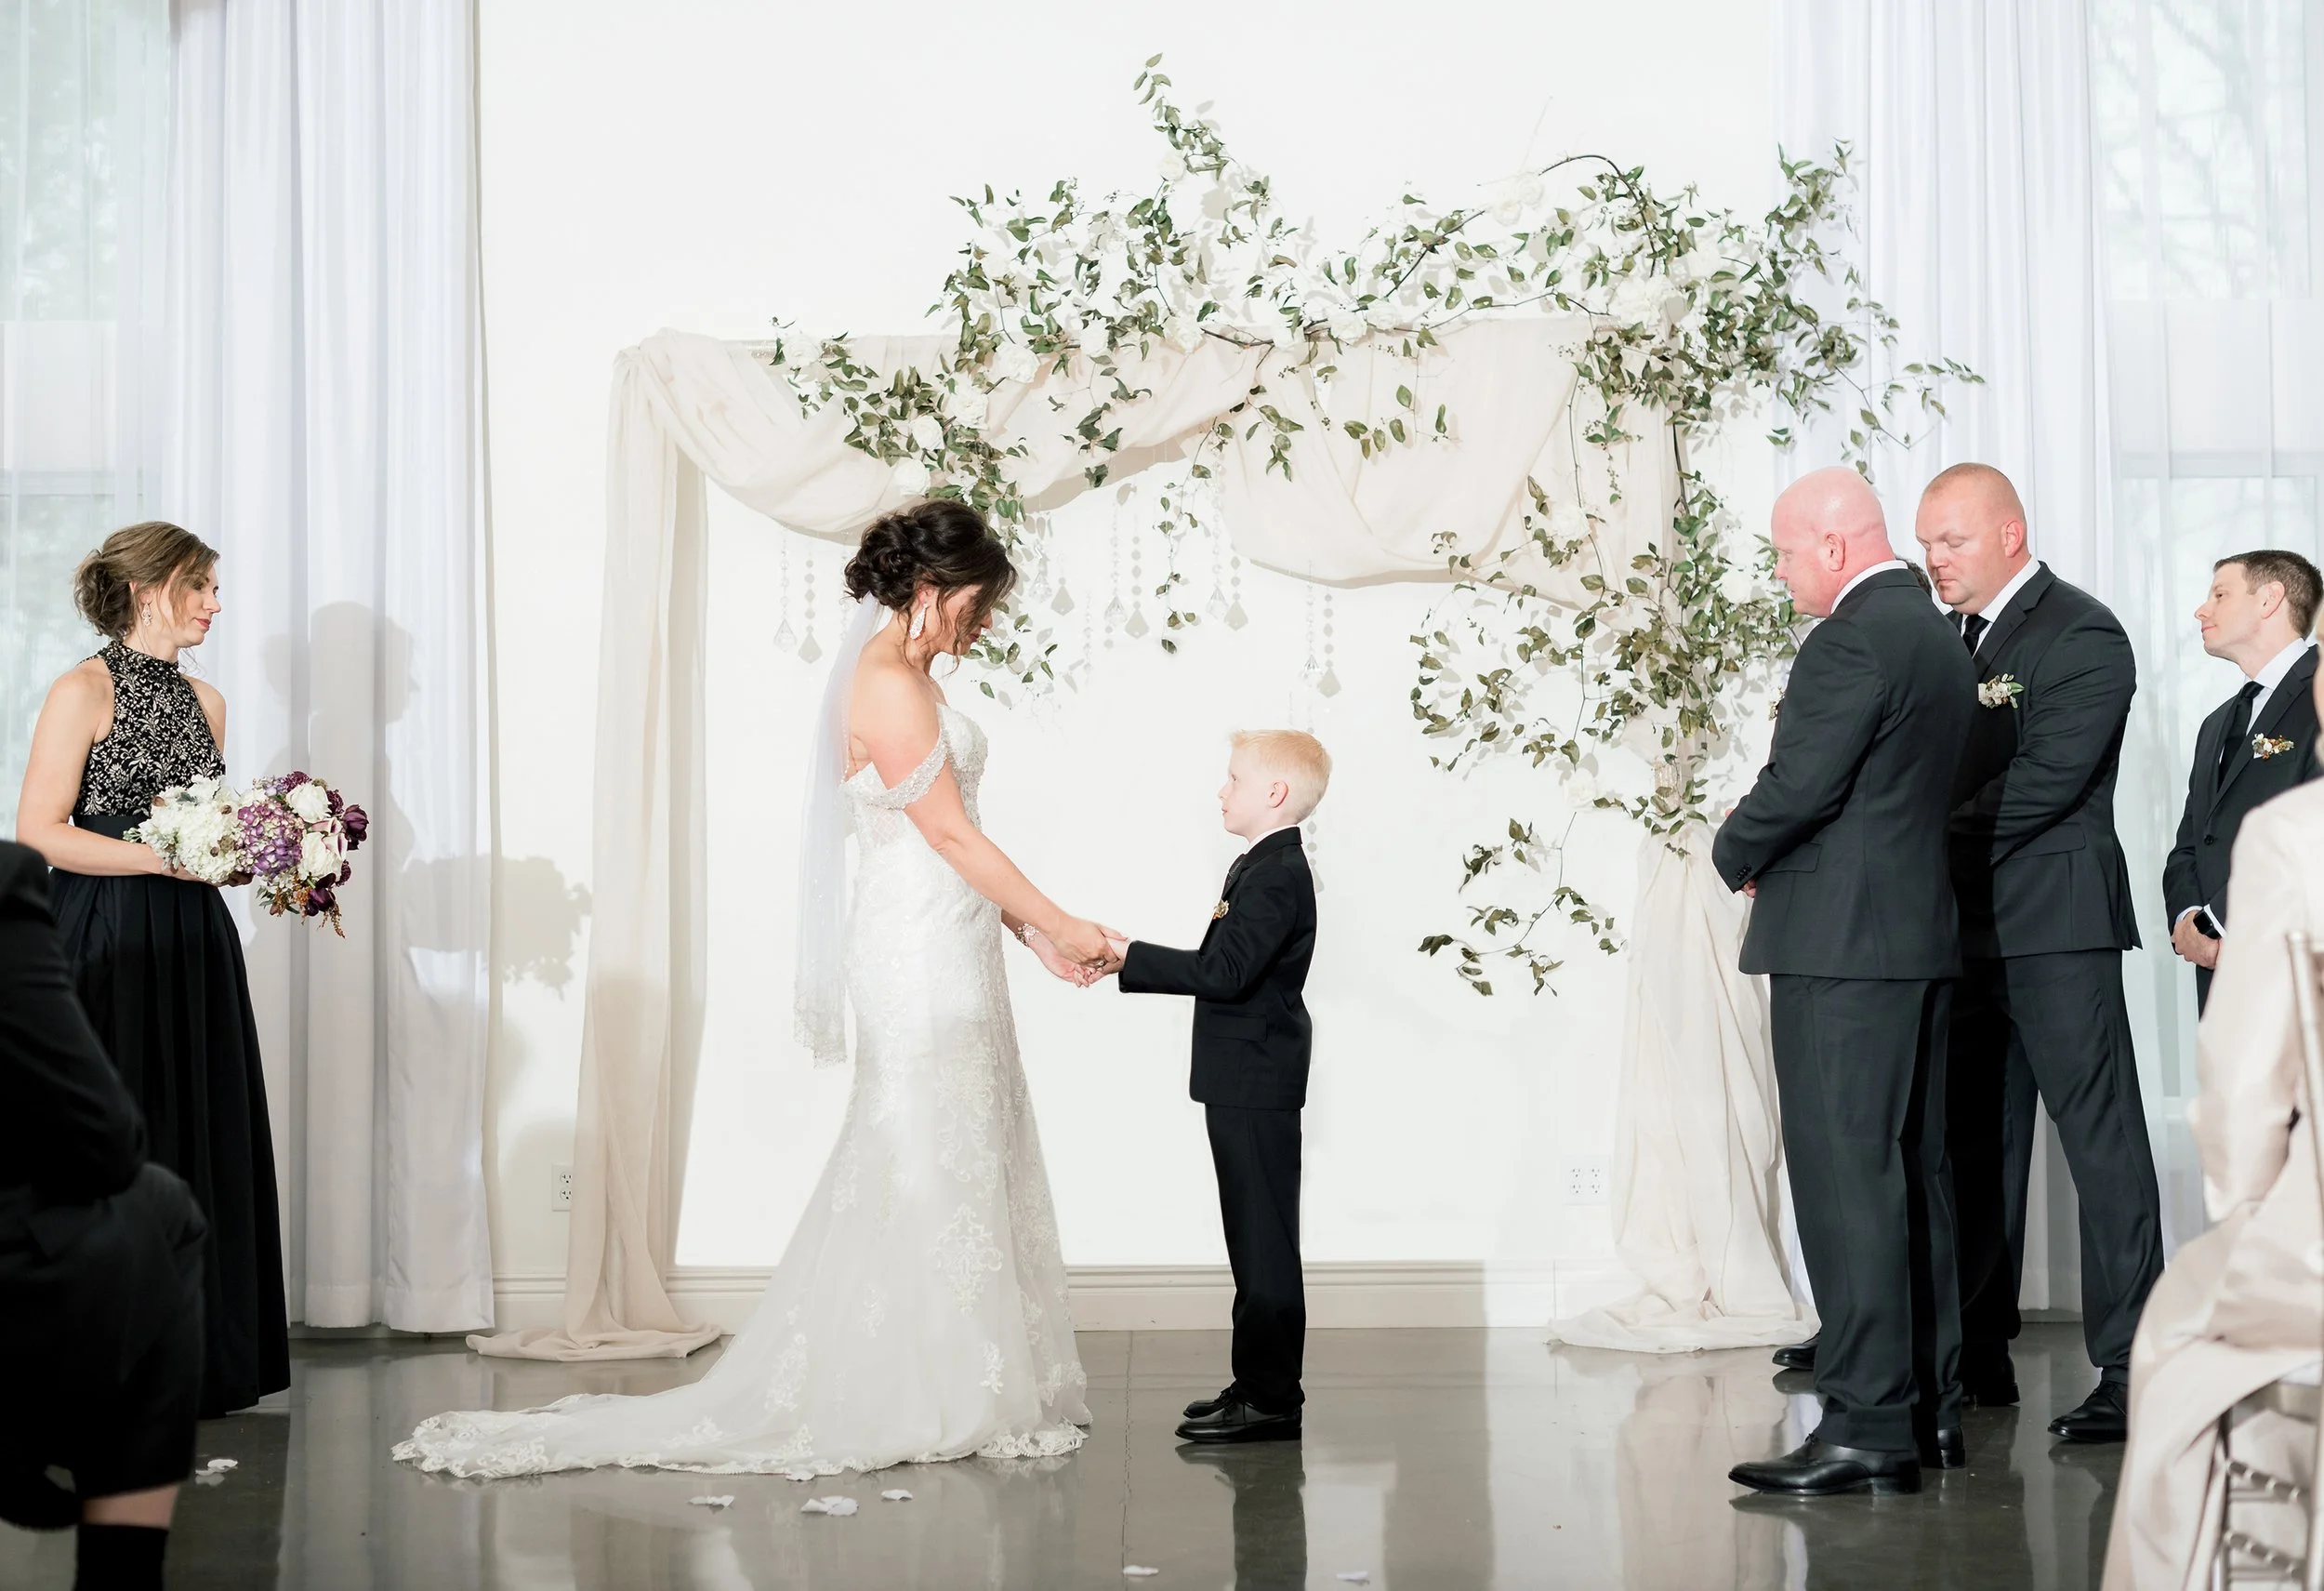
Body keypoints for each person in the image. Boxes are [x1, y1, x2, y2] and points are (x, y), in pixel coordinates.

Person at [397, 500, 1112, 1478]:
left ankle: (959, 1371)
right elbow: (946, 835)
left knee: (964, 1138)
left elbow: (953, 834)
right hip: (913, 945)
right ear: (934, 590)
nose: (983, 625)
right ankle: (919, 1382)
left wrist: (1027, 932)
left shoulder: (909, 678)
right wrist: (1061, 919)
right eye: (978, 605)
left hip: (951, 932)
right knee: (919, 1144)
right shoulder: (887, 685)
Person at [1713, 467, 1975, 1497]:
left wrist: (1731, 847)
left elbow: (1800, 783)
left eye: (1783, 552)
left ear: (1831, 546)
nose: (1779, 573)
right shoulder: (1933, 635)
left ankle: (1866, 1424)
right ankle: (1928, 1412)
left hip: (1838, 945)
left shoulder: (1851, 637)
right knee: (1912, 1177)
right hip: (1911, 936)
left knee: (1843, 1180)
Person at [15, 522, 288, 1420]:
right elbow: (42, 831)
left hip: (192, 940)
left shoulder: (207, 702)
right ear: (148, 589)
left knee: (198, 1124)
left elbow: (204, 833)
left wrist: (262, 853)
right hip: (102, 933)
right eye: (201, 586)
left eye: (214, 588)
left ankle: (201, 1359)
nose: (216, 603)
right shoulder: (81, 689)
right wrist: (165, 860)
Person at [1915, 462, 2162, 1444]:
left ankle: (2135, 1364)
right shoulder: (1938, 645)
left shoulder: (2083, 629)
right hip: (1961, 931)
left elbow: (2046, 783)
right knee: (1972, 1143)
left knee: (2101, 1143)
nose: (1934, 559)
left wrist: (1910, 844)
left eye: (1953, 540)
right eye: (1927, 541)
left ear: (2010, 534)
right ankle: (1978, 1350)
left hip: (2056, 925)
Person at [2101, 660, 2324, 1588]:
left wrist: (2246, 1209)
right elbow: (2189, 836)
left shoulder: (2296, 837)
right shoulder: (2218, 728)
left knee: (2187, 1349)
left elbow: (2241, 1085)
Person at [1100, 730, 1327, 1444]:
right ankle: (1257, 1383)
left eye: (1233, 779)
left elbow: (1224, 973)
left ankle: (1270, 1398)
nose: (1221, 791)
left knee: (1263, 1241)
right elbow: (1225, 963)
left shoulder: (1275, 872)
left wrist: (1125, 955)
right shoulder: (1263, 864)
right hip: (1245, 1075)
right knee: (1252, 1235)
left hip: (1255, 1077)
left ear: (1274, 793)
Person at [0, 838, 208, 1591]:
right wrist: (163, 859)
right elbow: (105, 1142)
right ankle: (120, 1571)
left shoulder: (210, 709)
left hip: (185, 924)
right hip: (119, 913)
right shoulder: (4, 885)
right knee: (160, 1207)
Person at [2163, 550, 2320, 1010]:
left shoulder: (2321, 695)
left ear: (2270, 599)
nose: (2201, 609)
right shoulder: (2216, 723)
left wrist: (2219, 921)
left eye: (2220, 594)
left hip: (2296, 967)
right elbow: (2192, 841)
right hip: (2219, 974)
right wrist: (2190, 918)